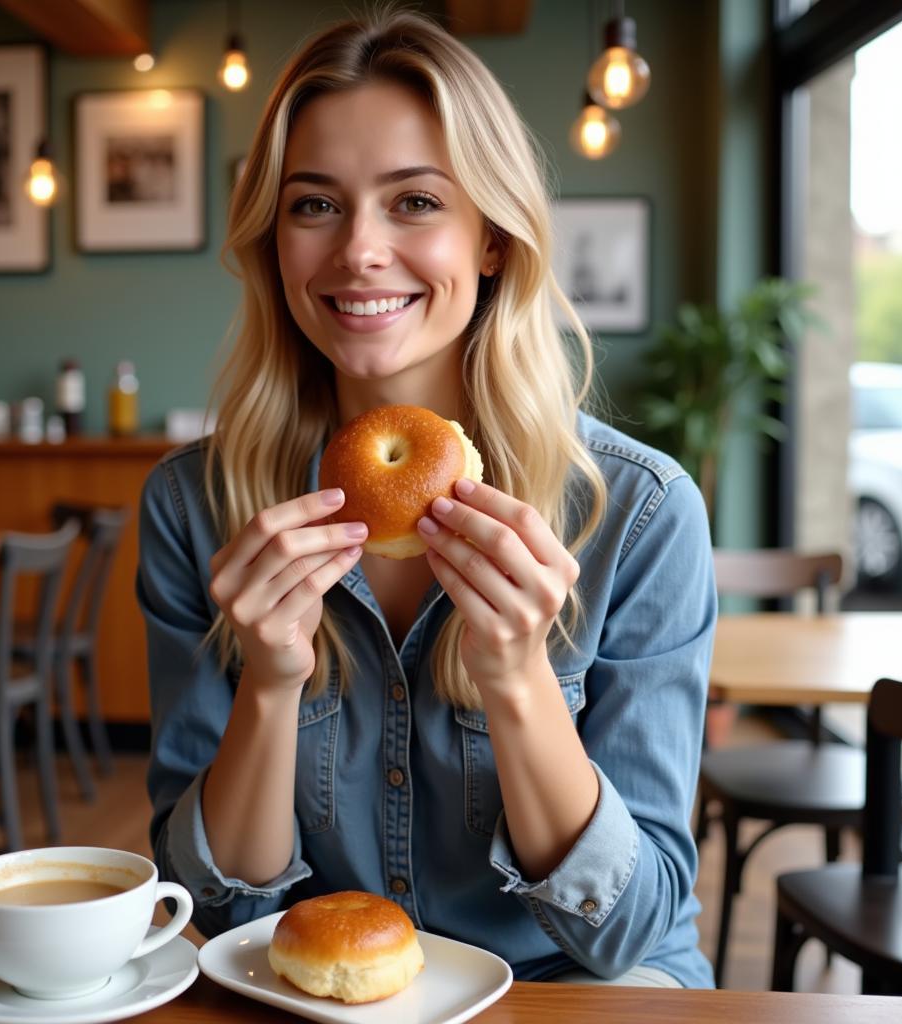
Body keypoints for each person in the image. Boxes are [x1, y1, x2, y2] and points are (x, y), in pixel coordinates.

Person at [139, 8, 716, 988]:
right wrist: (271, 685)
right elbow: (217, 907)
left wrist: (519, 676)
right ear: (274, 241)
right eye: (313, 204)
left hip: (566, 987)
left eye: (413, 203)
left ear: (491, 239)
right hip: (315, 989)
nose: (358, 249)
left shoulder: (640, 512)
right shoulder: (197, 504)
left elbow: (630, 930)